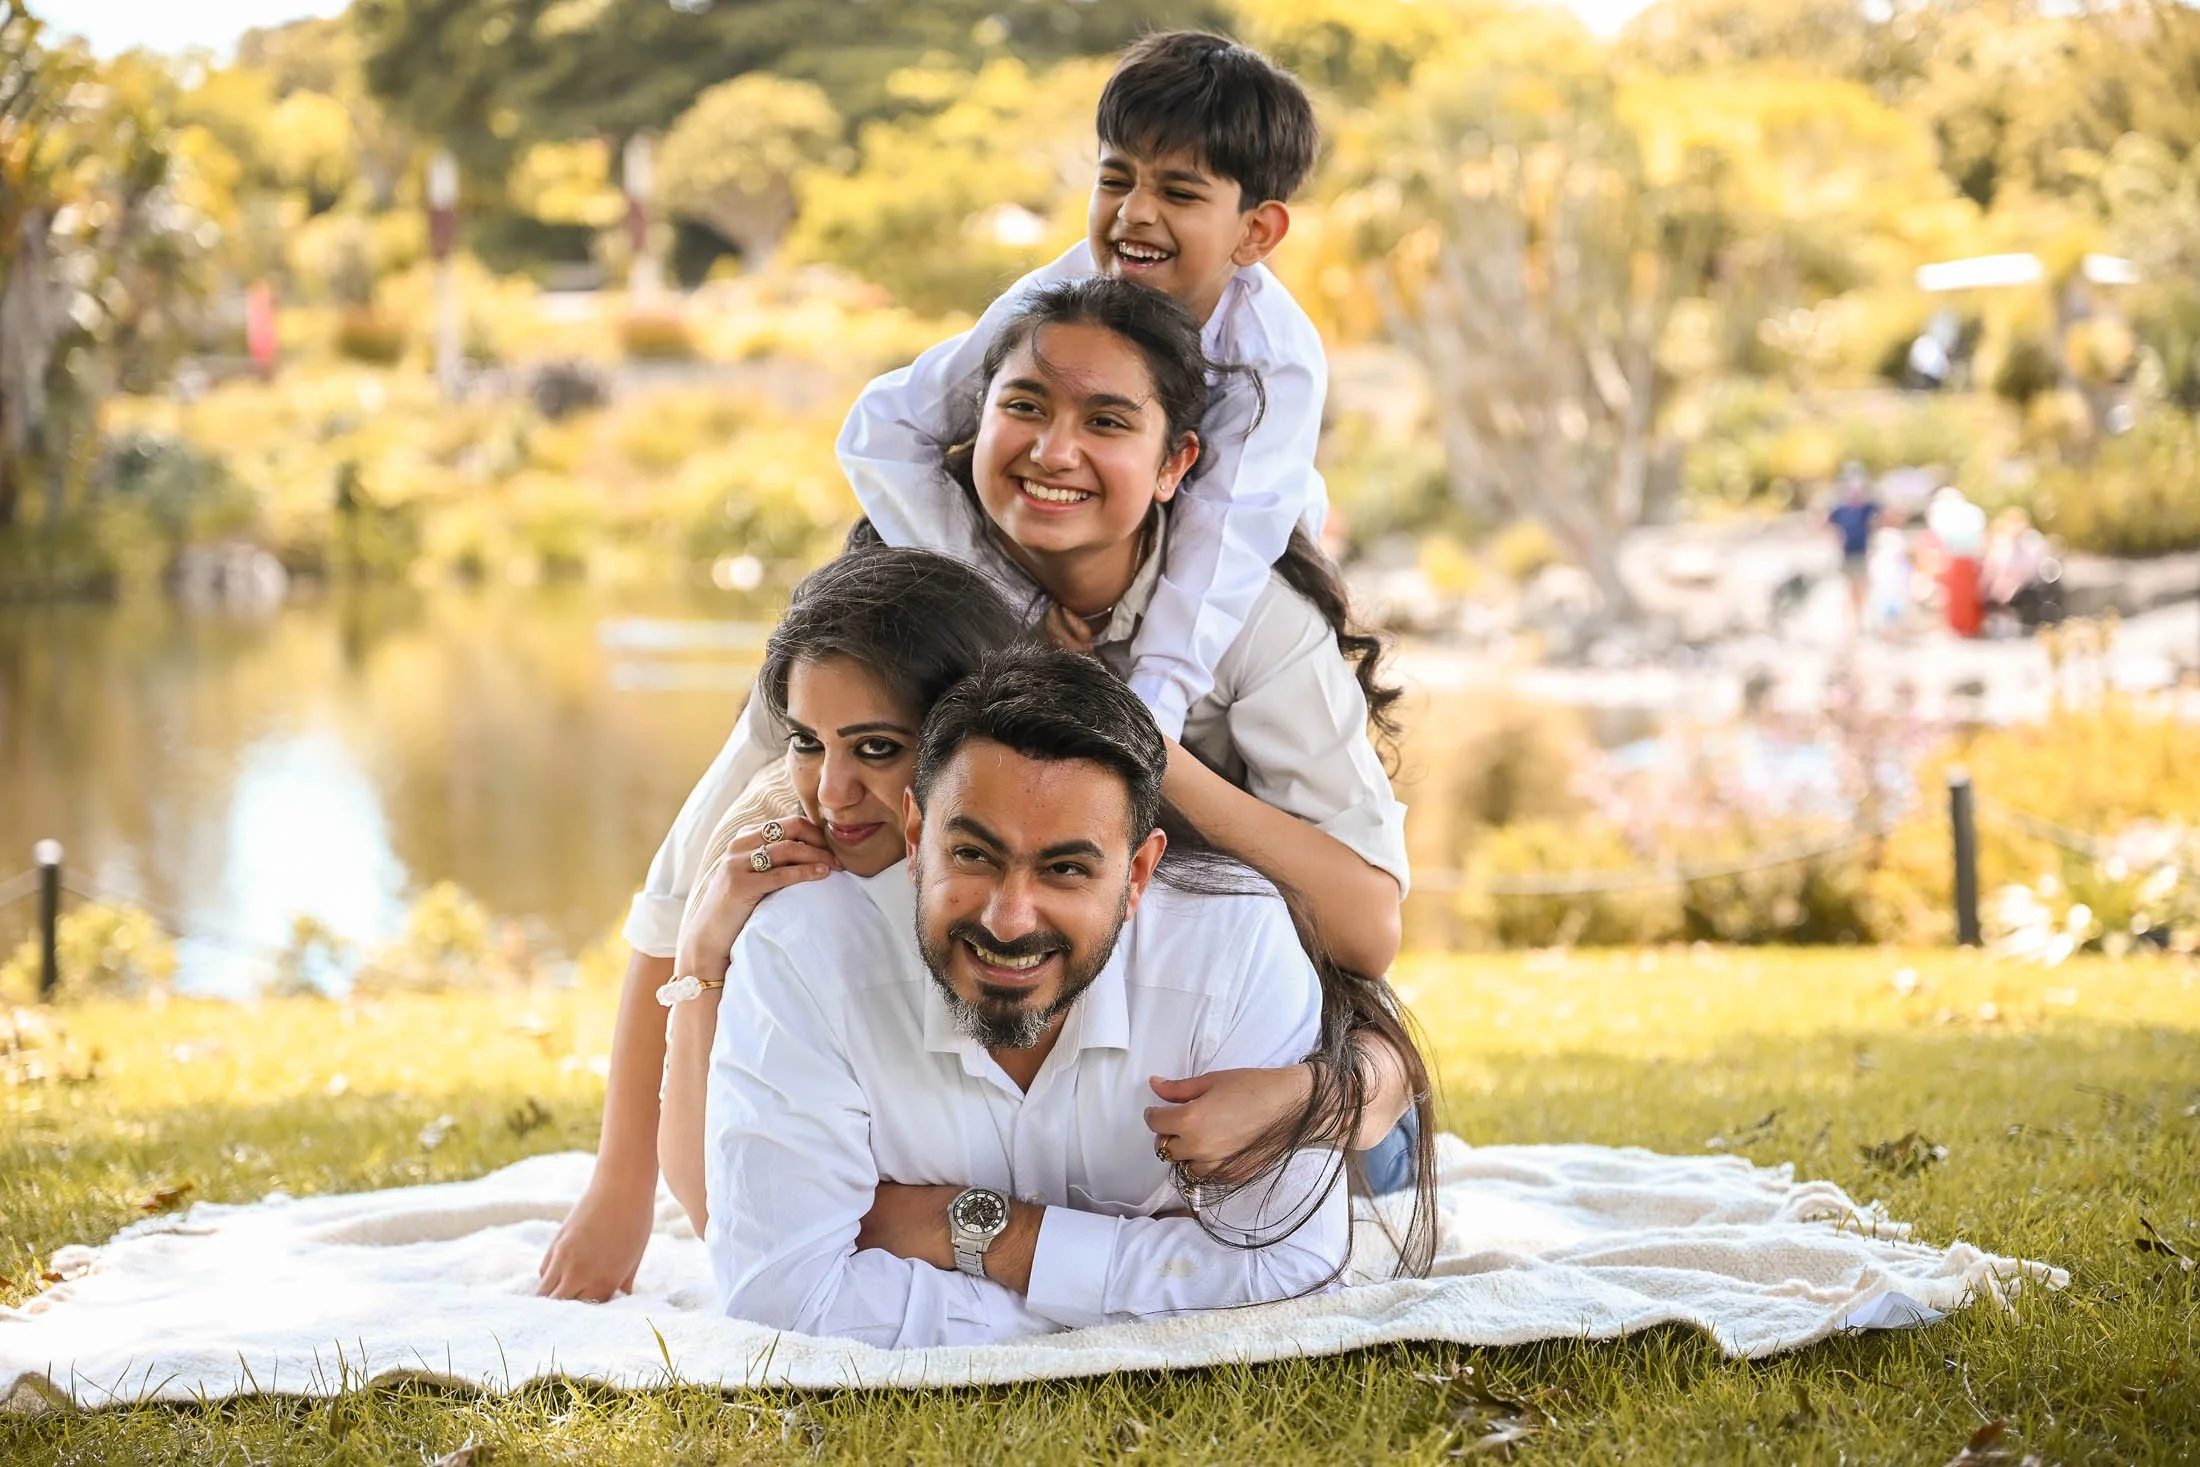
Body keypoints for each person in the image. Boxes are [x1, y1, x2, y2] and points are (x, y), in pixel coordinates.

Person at [540, 277, 1418, 1300]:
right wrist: (622, 1177)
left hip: (1232, 1072)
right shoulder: (876, 646)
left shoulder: (1237, 620)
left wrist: (1339, 1091)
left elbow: (1358, 940)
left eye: (1105, 421)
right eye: (1025, 407)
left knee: (1329, 1137)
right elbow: (678, 901)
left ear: (1177, 461)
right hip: (1011, 1088)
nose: (835, 791)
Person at [706, 645, 1359, 1346]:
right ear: (918, 833)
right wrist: (1151, 1275)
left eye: (1066, 868)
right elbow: (783, 1304)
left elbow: (1299, 1270)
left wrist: (973, 1230)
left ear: (1138, 874)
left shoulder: (1235, 944)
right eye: (974, 855)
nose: (1008, 919)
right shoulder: (801, 949)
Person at [838, 29, 1327, 744]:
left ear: (1255, 233)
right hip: (1064, 580)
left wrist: (1144, 713)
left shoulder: (1273, 363)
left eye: (1179, 191)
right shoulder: (1053, 304)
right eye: (1115, 178)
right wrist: (1009, 604)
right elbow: (882, 431)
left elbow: (1226, 536)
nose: (1134, 213)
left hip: (1223, 591)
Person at [1826, 464, 1880, 632]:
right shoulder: (1840, 509)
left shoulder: (1866, 508)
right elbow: (1824, 522)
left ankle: (1860, 620)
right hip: (1848, 553)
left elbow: (1885, 516)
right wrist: (1836, 536)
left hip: (1862, 552)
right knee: (1849, 588)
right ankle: (1850, 623)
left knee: (1862, 587)